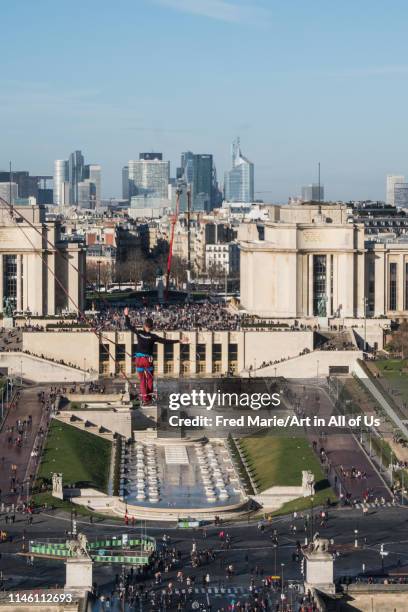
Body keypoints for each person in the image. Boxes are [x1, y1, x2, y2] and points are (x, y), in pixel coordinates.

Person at [123, 306, 188, 405]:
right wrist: (179, 340)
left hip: (139, 360)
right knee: (149, 379)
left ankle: (145, 398)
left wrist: (126, 315)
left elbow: (128, 325)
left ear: (144, 326)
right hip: (147, 360)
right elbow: (166, 341)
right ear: (151, 327)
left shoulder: (139, 333)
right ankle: (148, 399)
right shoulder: (153, 337)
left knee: (142, 380)